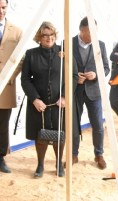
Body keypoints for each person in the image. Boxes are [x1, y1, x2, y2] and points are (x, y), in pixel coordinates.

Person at [21, 21, 71, 178]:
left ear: (55, 36)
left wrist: (64, 96)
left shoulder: (64, 52)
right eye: (45, 35)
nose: (49, 38)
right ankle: (40, 165)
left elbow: (71, 76)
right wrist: (35, 99)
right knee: (40, 135)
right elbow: (25, 79)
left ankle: (58, 164)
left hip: (59, 104)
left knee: (59, 133)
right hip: (39, 104)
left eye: (52, 35)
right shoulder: (31, 54)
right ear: (39, 38)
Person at [72, 16, 110, 170]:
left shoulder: (100, 45)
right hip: (75, 91)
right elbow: (61, 68)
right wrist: (75, 78)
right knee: (73, 125)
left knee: (98, 126)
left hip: (94, 92)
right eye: (90, 31)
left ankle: (99, 154)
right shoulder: (68, 43)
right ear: (82, 30)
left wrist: (95, 74)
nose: (94, 34)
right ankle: (73, 154)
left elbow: (106, 68)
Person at [0, 0, 23, 173]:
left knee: (2, 124)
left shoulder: (17, 31)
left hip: (6, 86)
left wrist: (10, 77)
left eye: (3, 7)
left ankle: (0, 158)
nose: (1, 10)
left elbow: (21, 59)